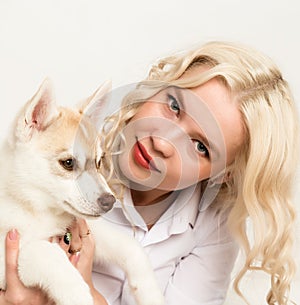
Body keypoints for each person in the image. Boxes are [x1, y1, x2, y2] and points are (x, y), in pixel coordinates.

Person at [0, 41, 299, 305]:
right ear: (157, 86)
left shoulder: (213, 230)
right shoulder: (71, 142)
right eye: (173, 106)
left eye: (199, 146)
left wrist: (90, 295)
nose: (162, 141)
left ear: (225, 174)